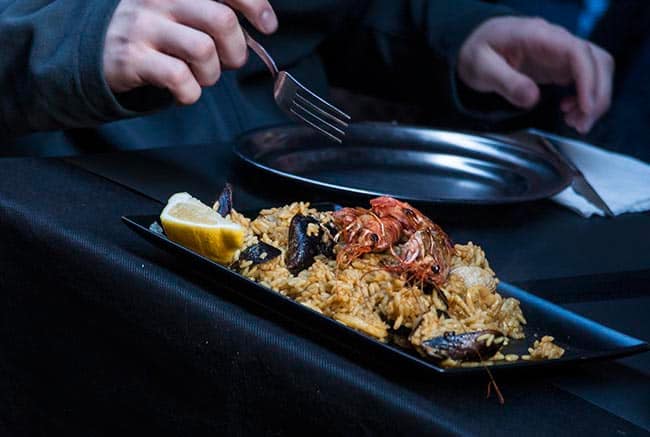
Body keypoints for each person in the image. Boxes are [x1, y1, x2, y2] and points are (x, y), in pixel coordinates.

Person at [0, 0, 613, 157]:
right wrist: (66, 42)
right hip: (56, 197)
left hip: (281, 185)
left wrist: (453, 34)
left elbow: (319, 15)